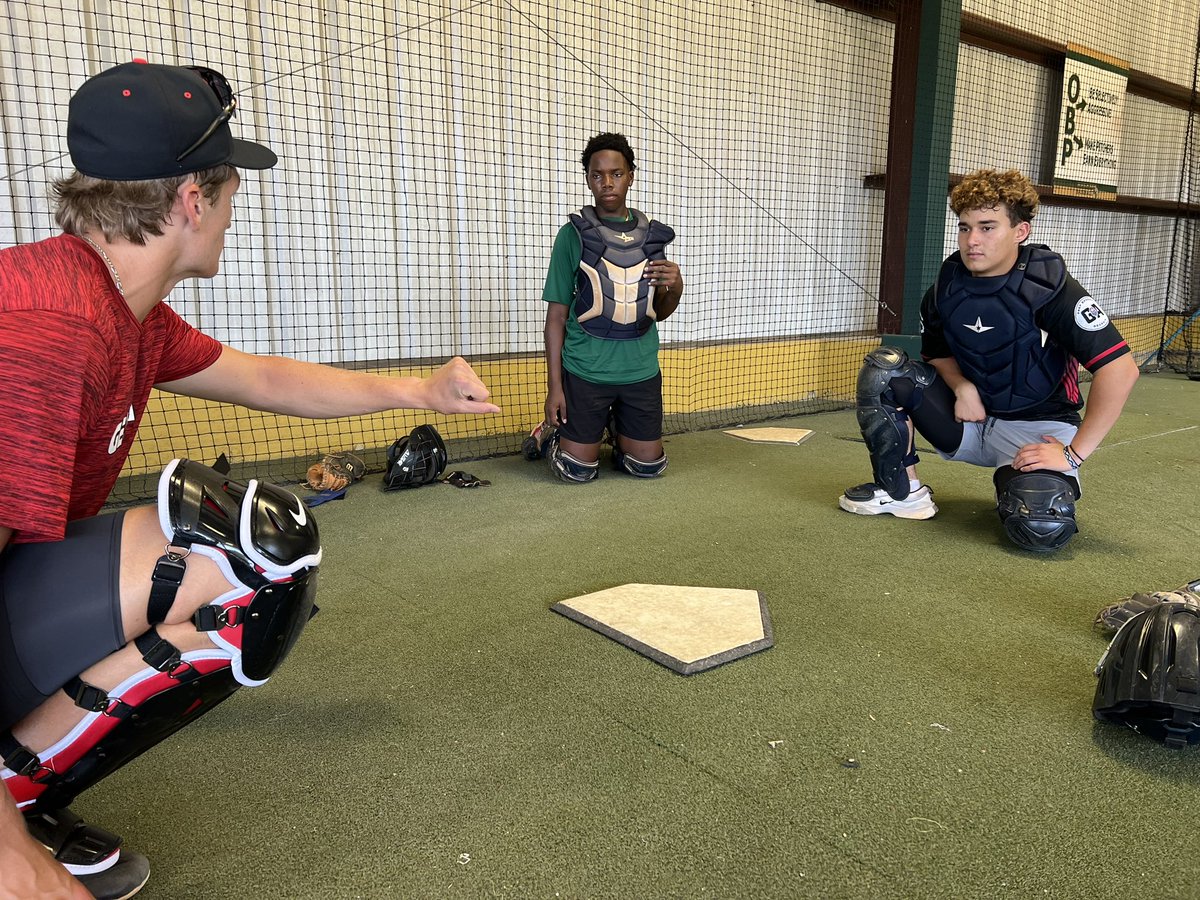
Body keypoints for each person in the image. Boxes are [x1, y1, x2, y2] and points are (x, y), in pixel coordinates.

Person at [0, 60, 500, 899]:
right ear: (194, 198)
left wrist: (422, 391)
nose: (234, 212)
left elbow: (263, 379)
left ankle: (28, 787)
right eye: (232, 188)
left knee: (254, 550)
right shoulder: (45, 332)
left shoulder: (121, 308)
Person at [837, 168, 1139, 552]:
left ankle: (1021, 488)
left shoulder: (1051, 289)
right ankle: (901, 491)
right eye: (965, 228)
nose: (972, 240)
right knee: (885, 371)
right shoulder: (946, 289)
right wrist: (962, 387)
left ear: (1021, 232)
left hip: (1039, 431)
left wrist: (1072, 453)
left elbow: (1121, 370)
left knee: (1041, 528)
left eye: (987, 227)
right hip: (973, 421)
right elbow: (938, 354)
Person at [525, 132, 683, 483]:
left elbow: (657, 310)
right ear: (588, 179)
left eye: (616, 173)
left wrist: (677, 286)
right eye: (598, 175)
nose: (607, 182)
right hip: (586, 371)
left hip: (639, 371)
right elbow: (556, 317)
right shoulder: (573, 235)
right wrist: (555, 388)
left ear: (631, 175)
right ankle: (551, 437)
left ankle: (613, 428)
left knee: (647, 468)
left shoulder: (652, 236)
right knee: (576, 472)